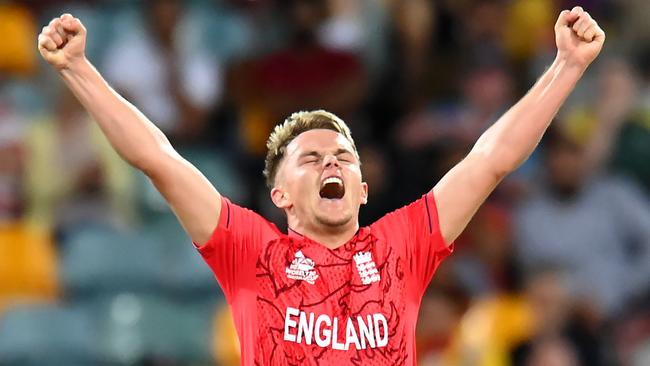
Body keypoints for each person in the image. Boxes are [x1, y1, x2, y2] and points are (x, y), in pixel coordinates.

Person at [37, 7, 605, 365]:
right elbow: (159, 159)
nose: (331, 163)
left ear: (362, 188)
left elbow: (491, 160)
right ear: (279, 195)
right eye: (310, 158)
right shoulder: (250, 250)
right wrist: (80, 69)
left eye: (343, 157)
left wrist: (566, 67)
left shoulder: (400, 247)